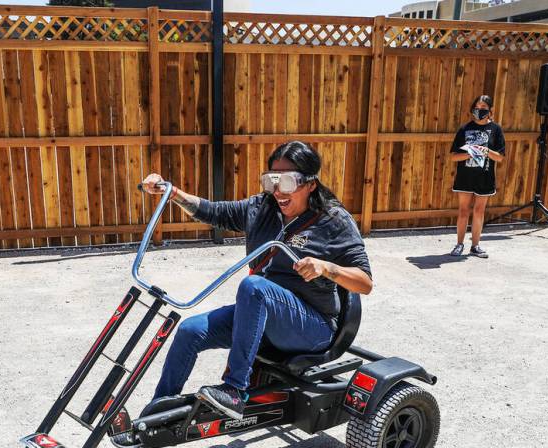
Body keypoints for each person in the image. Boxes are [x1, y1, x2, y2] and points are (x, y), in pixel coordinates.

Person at [132, 141, 372, 424]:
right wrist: (172, 193)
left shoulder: (333, 220)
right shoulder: (263, 208)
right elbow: (214, 212)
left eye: (288, 181)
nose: (279, 190)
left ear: (310, 184)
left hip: (312, 327)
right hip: (262, 314)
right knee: (190, 330)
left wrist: (327, 268)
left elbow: (364, 282)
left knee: (254, 287)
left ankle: (235, 389)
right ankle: (157, 414)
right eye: (272, 180)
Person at [448, 94, 507, 258]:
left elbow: (500, 157)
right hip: (465, 177)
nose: (479, 111)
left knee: (479, 211)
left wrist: (486, 151)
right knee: (463, 211)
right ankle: (459, 244)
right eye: (477, 108)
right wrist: (470, 154)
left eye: (483, 108)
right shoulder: (464, 129)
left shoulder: (496, 129)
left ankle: (475, 245)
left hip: (485, 177)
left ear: (490, 110)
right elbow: (453, 156)